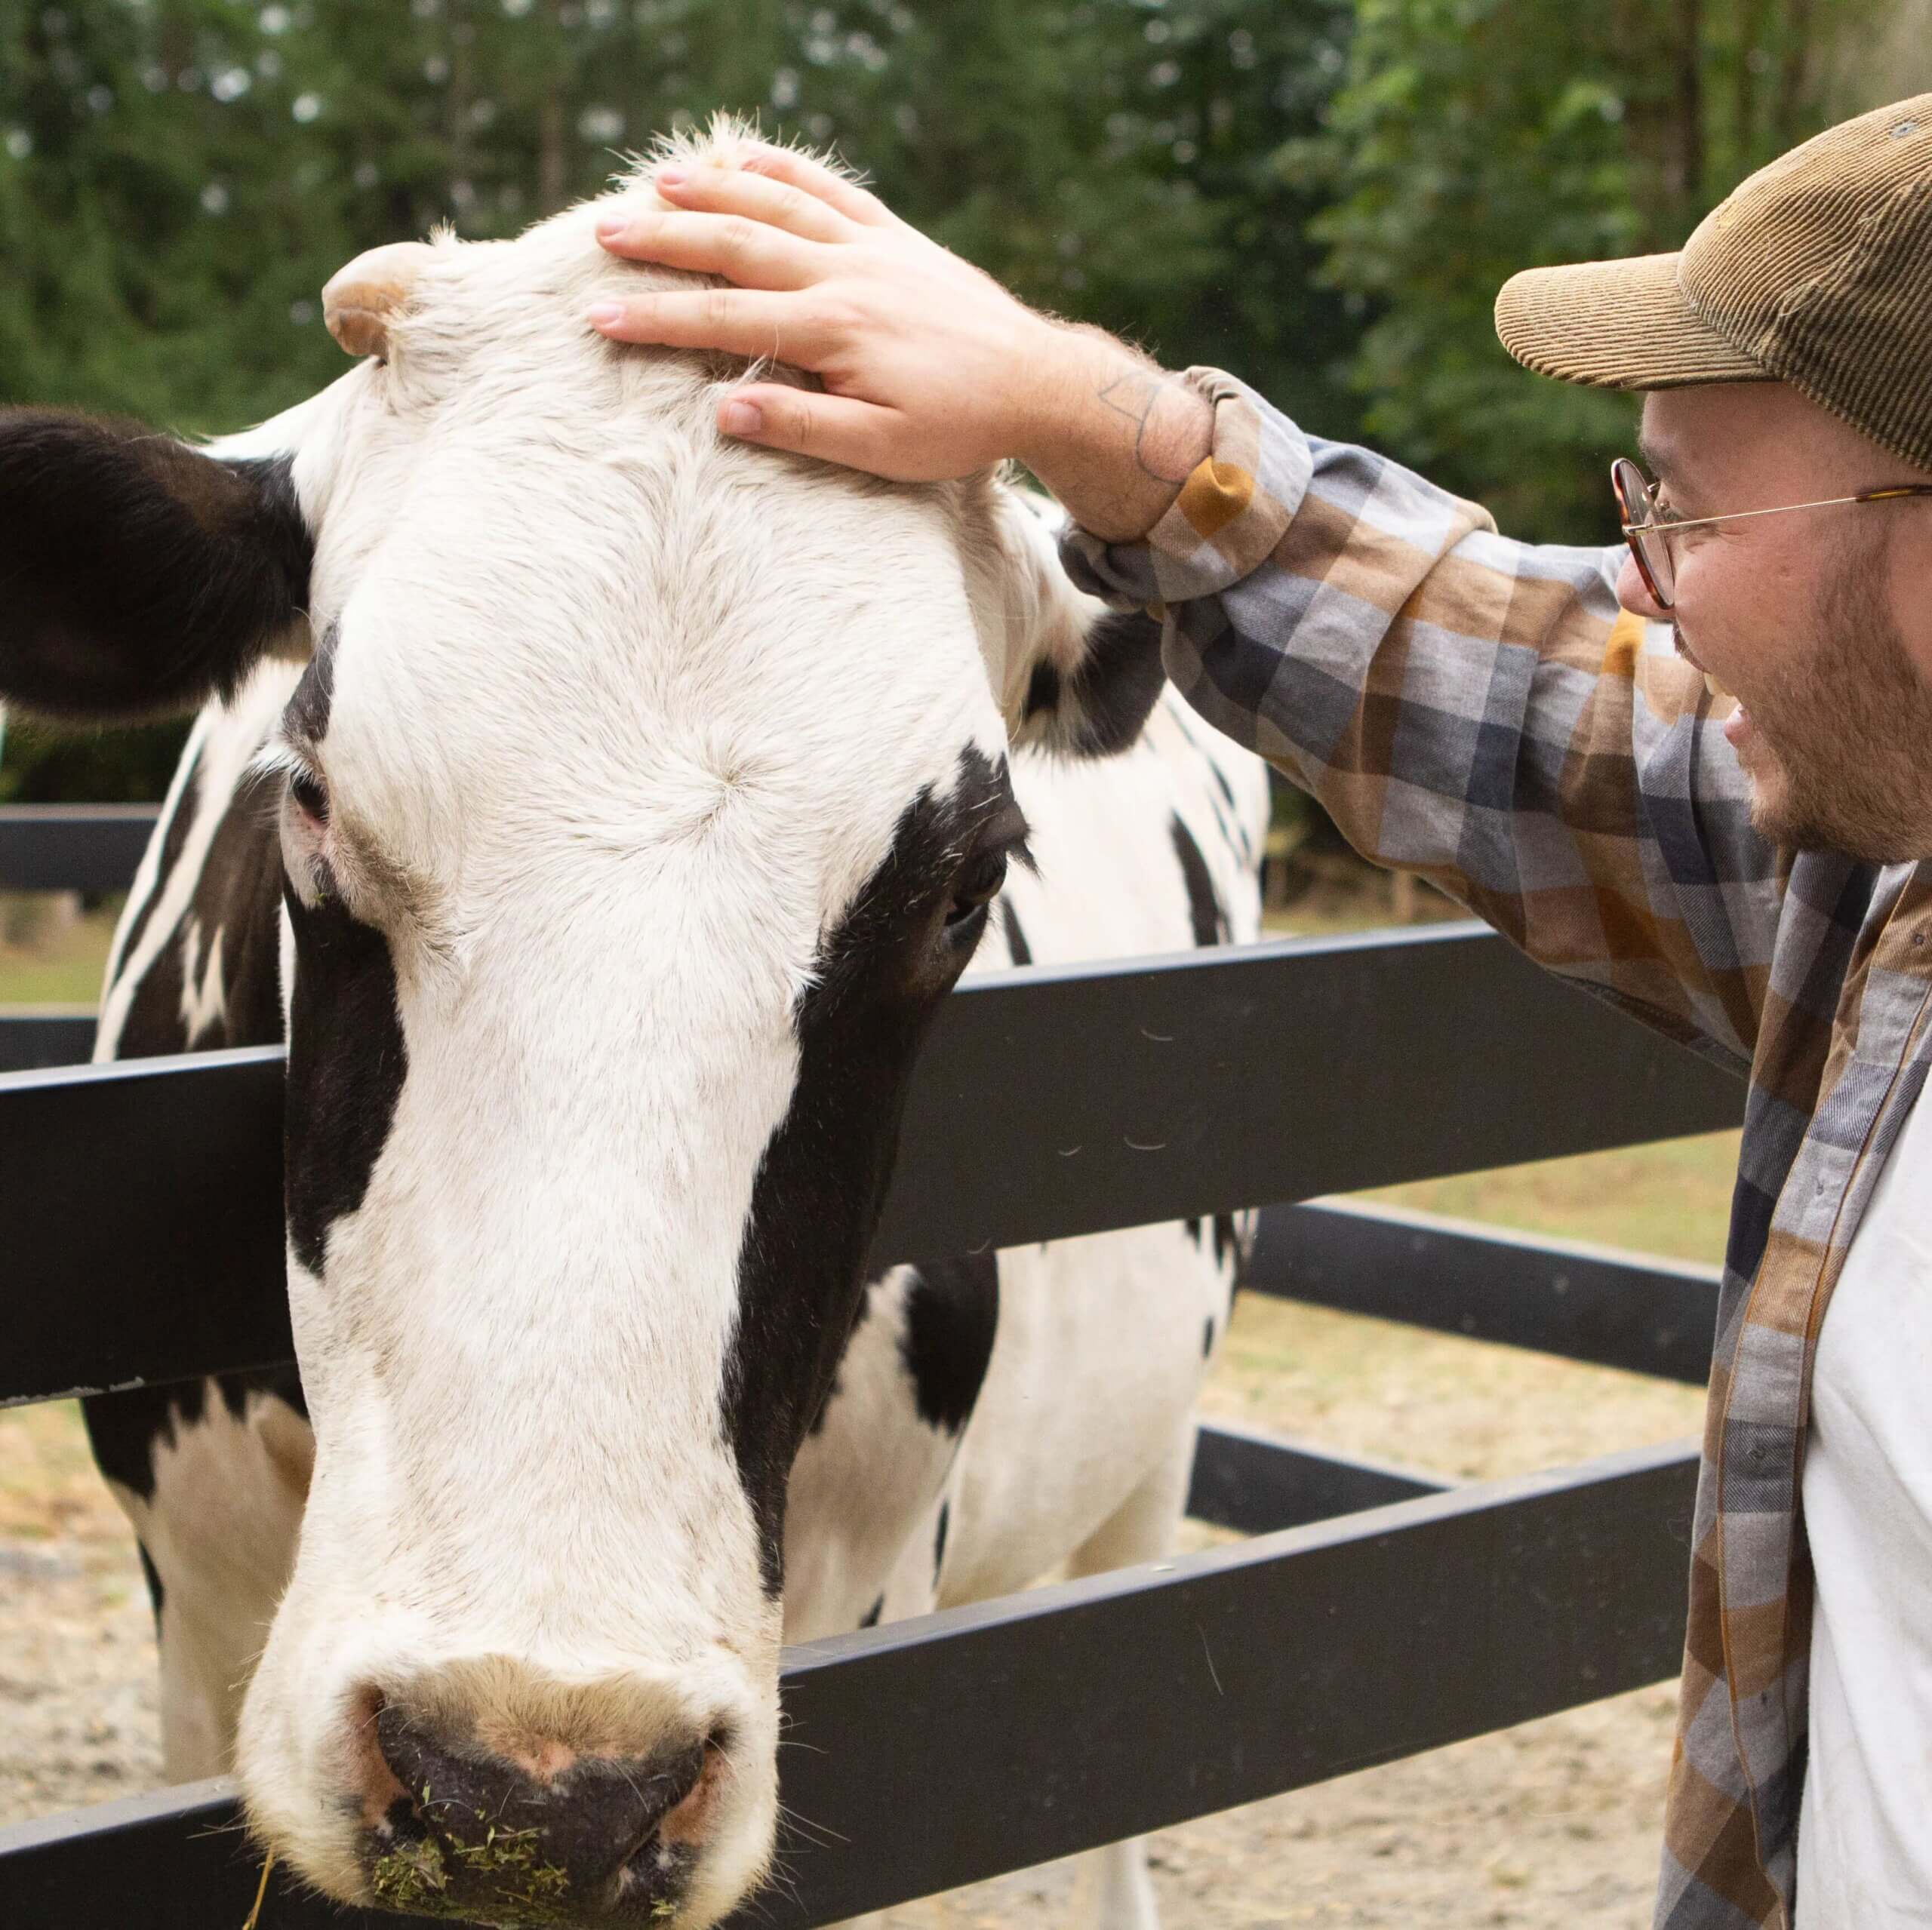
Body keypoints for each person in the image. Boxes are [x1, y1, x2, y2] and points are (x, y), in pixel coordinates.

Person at [586, 96, 1932, 1930]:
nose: (1638, 588)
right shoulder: (1876, 876)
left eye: (1677, 510)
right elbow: (1539, 706)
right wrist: (1100, 425)